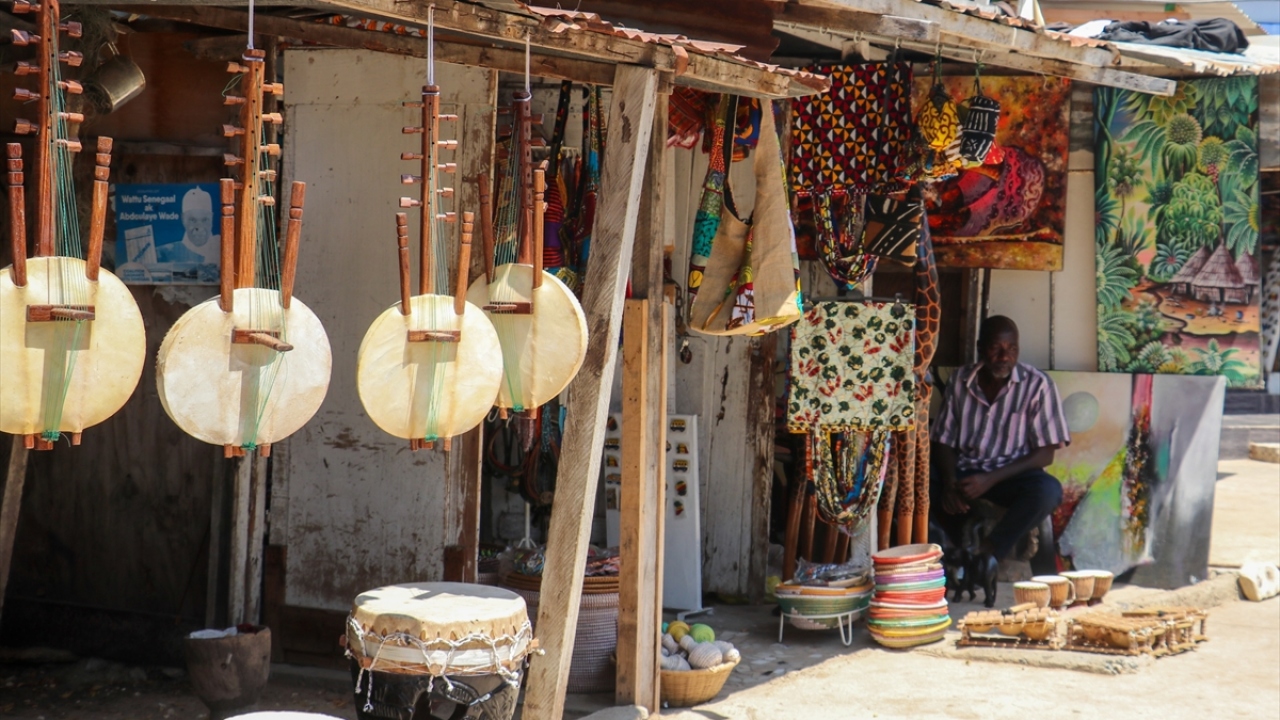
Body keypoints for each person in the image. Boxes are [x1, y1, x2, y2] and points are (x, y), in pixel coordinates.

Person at [931, 315, 1069, 599]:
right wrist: (947, 483)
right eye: (996, 348)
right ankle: (947, 558)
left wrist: (989, 479)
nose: (1005, 357)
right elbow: (942, 440)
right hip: (963, 474)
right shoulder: (960, 380)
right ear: (981, 347)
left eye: (1012, 349)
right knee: (916, 482)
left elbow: (1045, 454)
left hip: (1010, 475)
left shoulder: (1037, 385)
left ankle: (988, 553)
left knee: (1048, 491)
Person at [157, 187, 220, 265]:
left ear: (212, 218)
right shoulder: (165, 253)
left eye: (205, 220)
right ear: (183, 219)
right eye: (192, 220)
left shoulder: (222, 246)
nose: (199, 227)